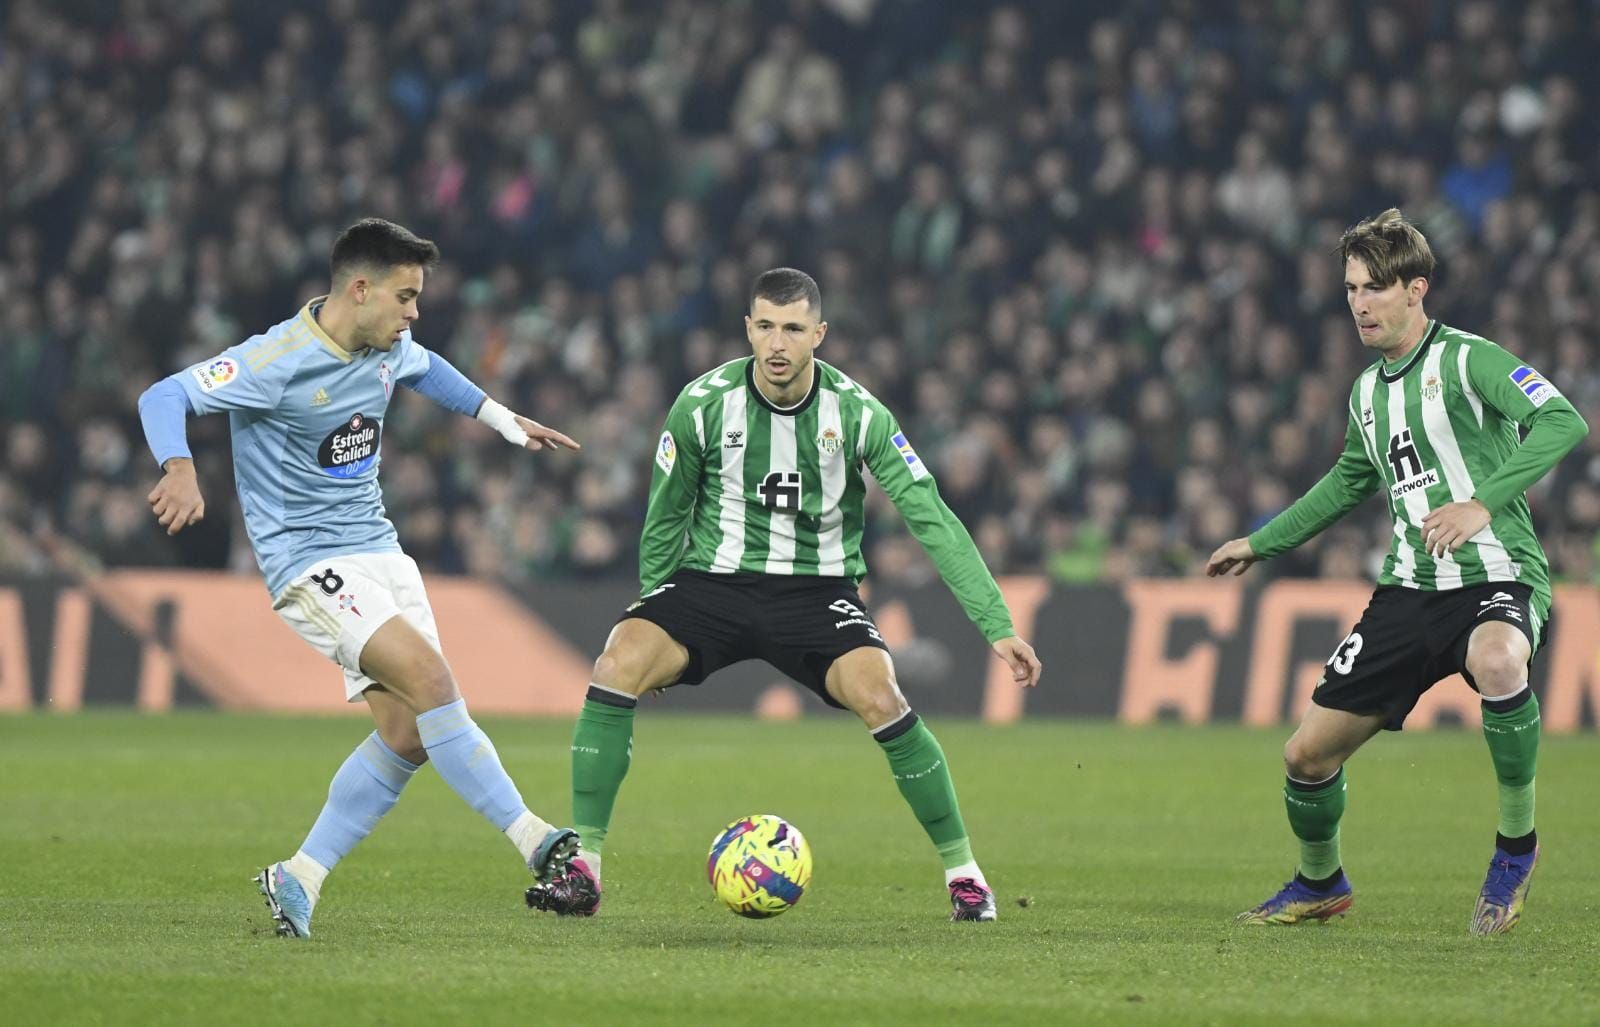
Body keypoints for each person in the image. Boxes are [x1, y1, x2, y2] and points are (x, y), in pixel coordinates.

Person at [525, 267, 1043, 923]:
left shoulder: (858, 413)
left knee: (882, 694)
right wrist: (652, 606)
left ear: (818, 335)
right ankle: (585, 870)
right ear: (747, 327)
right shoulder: (702, 402)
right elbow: (665, 517)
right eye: (765, 325)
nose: (777, 342)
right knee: (617, 661)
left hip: (816, 591)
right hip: (712, 584)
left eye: (793, 328)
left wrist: (996, 623)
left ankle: (965, 875)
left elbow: (930, 516)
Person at [137, 218, 584, 938]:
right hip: (309, 561)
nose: (414, 314)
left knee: (409, 731)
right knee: (434, 681)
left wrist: (505, 421)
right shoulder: (275, 359)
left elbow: (428, 368)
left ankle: (299, 875)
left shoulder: (390, 344)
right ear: (360, 288)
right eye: (406, 297)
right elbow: (163, 396)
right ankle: (538, 843)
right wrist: (179, 466)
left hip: (380, 549)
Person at [1206, 209, 1589, 935]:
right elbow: (1346, 484)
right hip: (1410, 592)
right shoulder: (1366, 393)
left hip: (1496, 578)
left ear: (1416, 289)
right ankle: (1321, 882)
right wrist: (1260, 542)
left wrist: (1481, 501)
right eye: (1350, 288)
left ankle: (1516, 846)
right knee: (1305, 756)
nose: (1358, 303)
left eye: (1374, 288)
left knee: (1502, 658)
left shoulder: (1469, 359)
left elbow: (1564, 419)